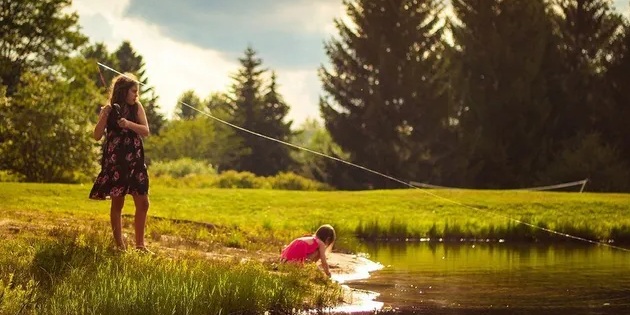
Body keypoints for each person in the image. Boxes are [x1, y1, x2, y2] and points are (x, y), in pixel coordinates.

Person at [89, 73, 151, 253]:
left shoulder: (137, 107)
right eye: (133, 91)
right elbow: (97, 135)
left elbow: (145, 131)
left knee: (143, 203)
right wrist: (103, 116)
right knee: (118, 204)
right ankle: (120, 246)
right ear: (123, 91)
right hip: (116, 163)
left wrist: (128, 124)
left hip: (135, 161)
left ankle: (140, 246)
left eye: (137, 92)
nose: (136, 95)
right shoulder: (109, 109)